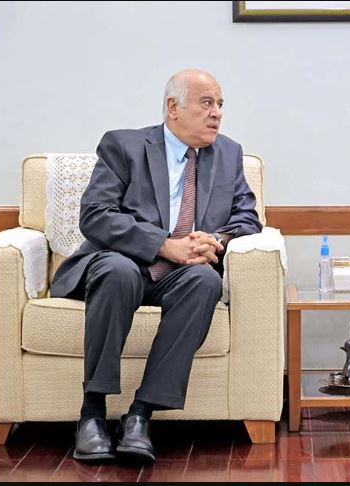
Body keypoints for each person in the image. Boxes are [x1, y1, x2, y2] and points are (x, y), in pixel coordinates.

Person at [50, 69, 262, 463]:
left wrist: (216, 240)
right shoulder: (124, 146)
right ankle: (91, 414)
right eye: (206, 103)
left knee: (204, 281)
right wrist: (164, 245)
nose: (217, 113)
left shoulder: (229, 153)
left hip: (178, 278)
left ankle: (140, 416)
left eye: (220, 104)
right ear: (172, 107)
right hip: (122, 264)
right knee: (118, 271)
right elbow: (95, 214)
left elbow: (247, 217)